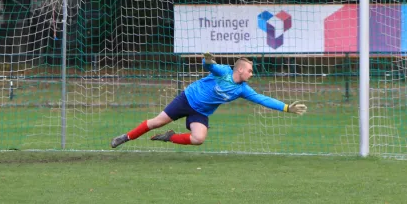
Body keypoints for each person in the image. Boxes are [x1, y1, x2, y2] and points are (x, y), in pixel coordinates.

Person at [110, 53, 307, 148]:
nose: (251, 73)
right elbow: (209, 66)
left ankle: (169, 137)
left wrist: (287, 107)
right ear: (239, 69)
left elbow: (263, 99)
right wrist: (208, 60)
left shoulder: (243, 89)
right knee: (156, 122)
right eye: (249, 70)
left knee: (199, 139)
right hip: (187, 99)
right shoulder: (224, 73)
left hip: (200, 112)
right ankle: (125, 137)